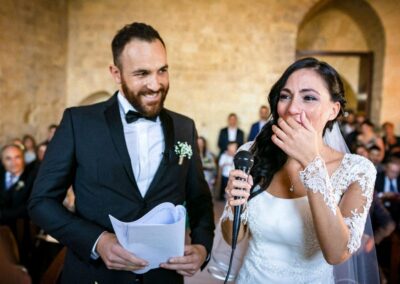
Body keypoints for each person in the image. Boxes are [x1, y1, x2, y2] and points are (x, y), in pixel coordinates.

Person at [28, 22, 214, 284]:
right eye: (142, 74)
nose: (156, 84)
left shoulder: (185, 127)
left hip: (163, 277)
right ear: (116, 73)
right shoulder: (78, 123)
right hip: (93, 276)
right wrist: (97, 241)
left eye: (162, 70)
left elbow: (200, 200)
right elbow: (41, 202)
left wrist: (203, 246)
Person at [220, 57, 378, 283]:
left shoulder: (357, 170)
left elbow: (336, 253)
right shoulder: (253, 153)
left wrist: (311, 164)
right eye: (285, 96)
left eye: (309, 97)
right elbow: (232, 237)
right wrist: (234, 204)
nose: (292, 108)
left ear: (333, 110)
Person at [0, 144, 36, 264]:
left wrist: (2, 214)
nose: (13, 162)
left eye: (17, 157)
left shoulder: (32, 177)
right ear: (2, 160)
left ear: (23, 158)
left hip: (21, 231)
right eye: (8, 158)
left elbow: (30, 206)